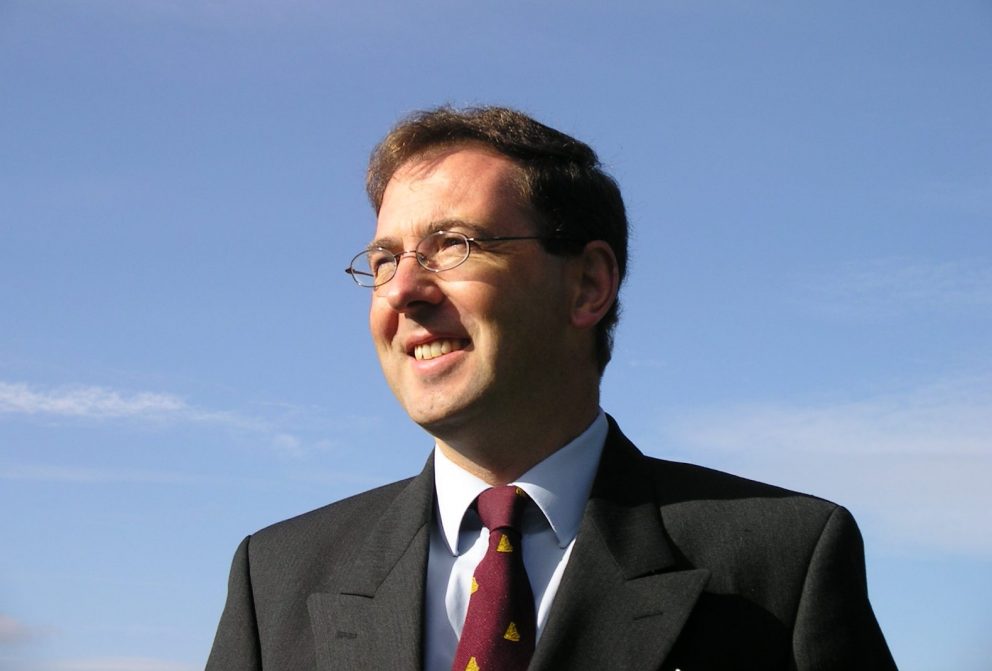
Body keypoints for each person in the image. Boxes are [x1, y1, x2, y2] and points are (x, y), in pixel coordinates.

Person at [206, 106, 897, 670]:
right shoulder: (275, 581)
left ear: (588, 285)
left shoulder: (785, 563)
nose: (406, 291)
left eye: (453, 245)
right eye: (385, 259)